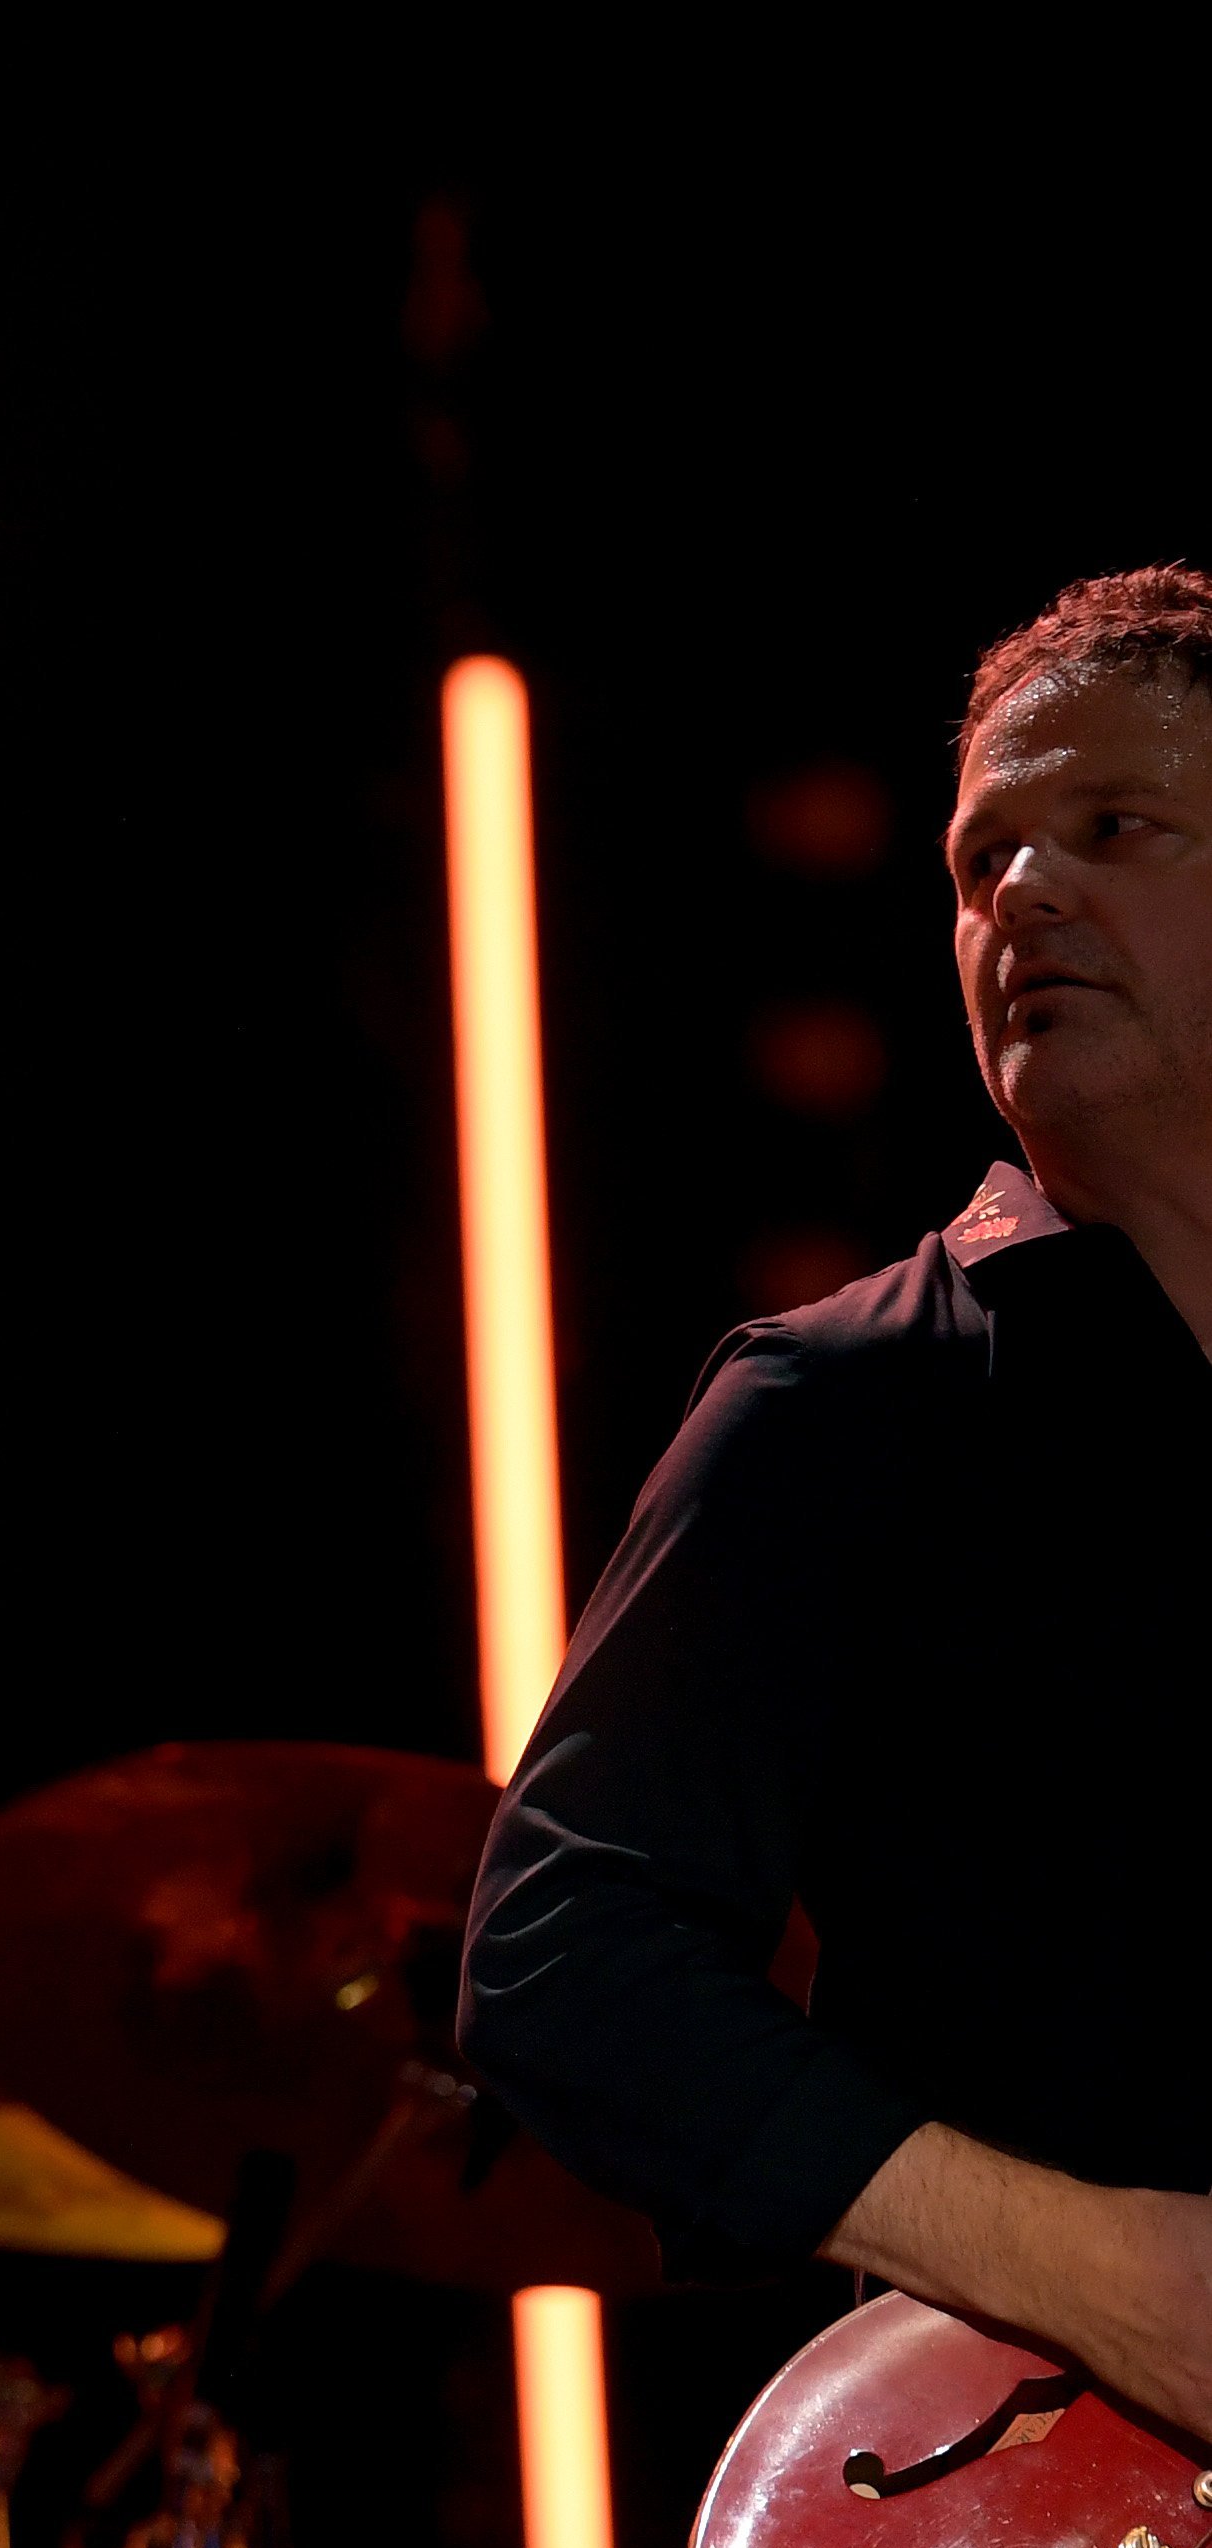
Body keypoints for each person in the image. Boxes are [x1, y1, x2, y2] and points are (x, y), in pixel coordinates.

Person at [459, 565, 1212, 2436]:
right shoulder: (843, 1402)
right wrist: (1109, 2275)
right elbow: (564, 1958)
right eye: (980, 865)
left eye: (1109, 827)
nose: (1019, 898)